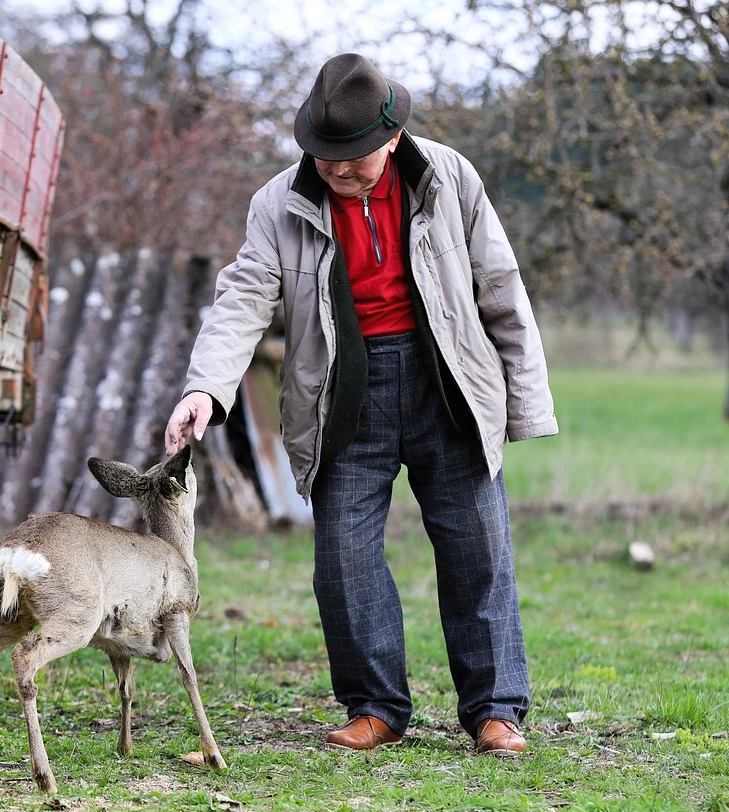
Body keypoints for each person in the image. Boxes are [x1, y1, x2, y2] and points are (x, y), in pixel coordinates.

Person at [164, 53, 557, 754]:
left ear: (393, 139)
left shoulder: (450, 177)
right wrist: (206, 387)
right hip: (343, 391)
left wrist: (525, 403)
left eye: (354, 160)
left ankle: (496, 709)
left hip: (448, 383)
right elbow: (243, 299)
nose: (338, 172)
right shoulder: (276, 205)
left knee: (479, 550)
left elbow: (502, 287)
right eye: (325, 158)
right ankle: (375, 706)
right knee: (343, 558)